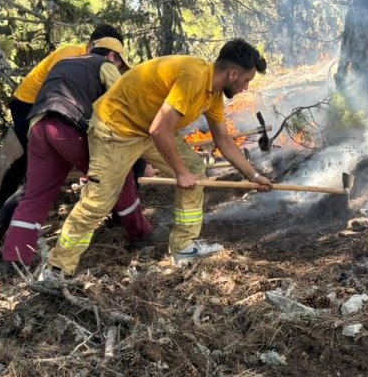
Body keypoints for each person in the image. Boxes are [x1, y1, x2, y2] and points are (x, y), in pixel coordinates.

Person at [43, 39, 273, 281]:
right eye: (246, 80)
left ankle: (183, 247)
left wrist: (254, 175)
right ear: (232, 74)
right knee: (98, 201)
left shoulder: (213, 92)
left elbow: (223, 140)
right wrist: (180, 172)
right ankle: (57, 268)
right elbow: (160, 130)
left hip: (147, 129)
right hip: (116, 129)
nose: (245, 87)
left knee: (195, 170)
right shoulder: (194, 77)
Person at [0, 24, 161, 250]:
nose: (119, 68)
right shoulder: (105, 65)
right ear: (112, 56)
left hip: (38, 124)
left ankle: (12, 257)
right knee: (117, 175)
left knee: (35, 193)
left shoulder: (67, 62)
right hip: (66, 125)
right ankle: (141, 234)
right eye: (120, 64)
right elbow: (123, 103)